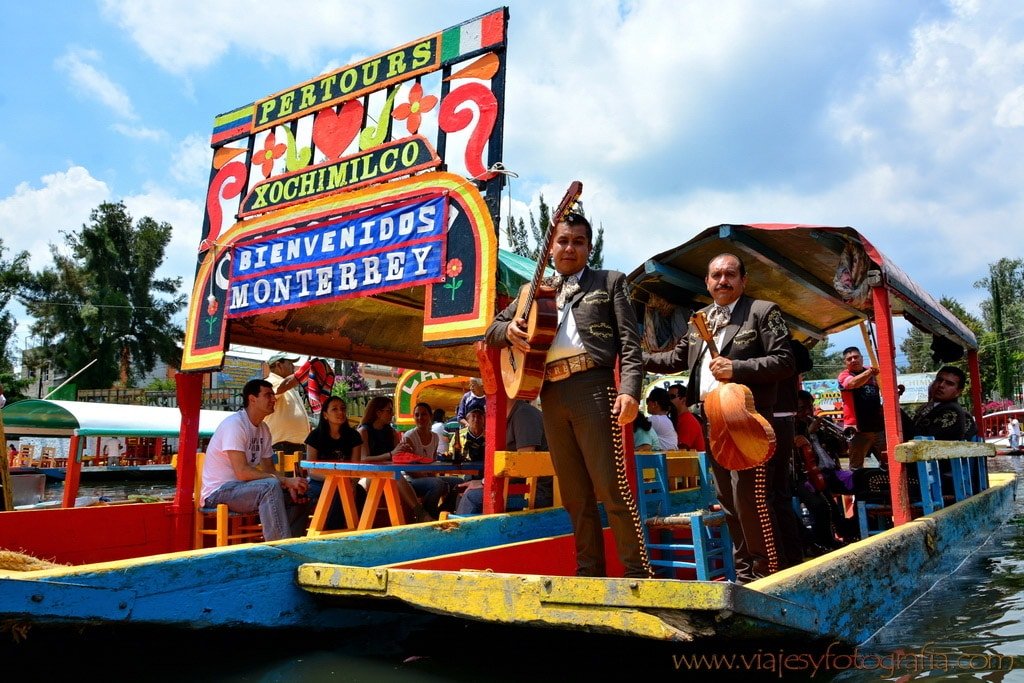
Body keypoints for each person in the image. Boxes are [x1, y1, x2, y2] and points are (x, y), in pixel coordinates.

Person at [486, 212, 651, 579]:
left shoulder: (610, 281)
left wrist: (629, 391)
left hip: (594, 388)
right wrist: (509, 329)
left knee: (612, 488)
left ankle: (639, 574)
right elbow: (492, 329)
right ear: (551, 247)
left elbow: (630, 343)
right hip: (550, 394)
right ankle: (589, 574)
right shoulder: (534, 291)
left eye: (578, 242)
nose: (569, 248)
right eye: (563, 241)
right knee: (574, 495)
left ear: (589, 248)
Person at [644, 253, 795, 582]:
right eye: (716, 275)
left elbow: (785, 361)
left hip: (747, 420)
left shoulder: (761, 311)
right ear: (707, 281)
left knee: (751, 501)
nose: (722, 281)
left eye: (730, 274)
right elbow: (675, 359)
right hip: (710, 420)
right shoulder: (699, 320)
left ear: (743, 280)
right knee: (727, 502)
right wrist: (635, 356)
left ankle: (769, 577)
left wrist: (736, 368)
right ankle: (744, 577)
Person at [201, 379, 310, 541]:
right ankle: (278, 547)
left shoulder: (264, 429)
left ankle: (293, 544)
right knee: (270, 486)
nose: (273, 399)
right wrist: (285, 480)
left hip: (244, 489)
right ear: (252, 399)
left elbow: (269, 471)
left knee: (300, 495)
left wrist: (289, 486)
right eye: (268, 395)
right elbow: (242, 472)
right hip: (218, 493)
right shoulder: (235, 424)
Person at [356, 396, 438, 522]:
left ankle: (417, 517)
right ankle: (420, 513)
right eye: (389, 411)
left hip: (392, 474)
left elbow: (398, 456)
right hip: (372, 475)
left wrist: (405, 451)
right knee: (396, 477)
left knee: (396, 476)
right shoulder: (364, 431)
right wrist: (391, 454)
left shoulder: (391, 432)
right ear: (378, 413)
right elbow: (364, 459)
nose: (392, 414)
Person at [304, 395, 363, 530]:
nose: (340, 412)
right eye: (334, 409)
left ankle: (359, 532)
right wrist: (336, 479)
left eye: (343, 408)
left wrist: (353, 484)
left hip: (347, 481)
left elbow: (356, 467)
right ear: (325, 415)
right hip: (319, 482)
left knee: (361, 493)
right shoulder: (315, 436)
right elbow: (311, 471)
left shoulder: (354, 436)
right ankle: (333, 532)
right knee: (337, 493)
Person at [838, 346, 884, 469]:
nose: (853, 360)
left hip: (878, 428)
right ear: (845, 362)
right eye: (849, 359)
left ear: (862, 358)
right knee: (856, 468)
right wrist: (870, 372)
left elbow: (885, 387)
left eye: (856, 357)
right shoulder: (844, 375)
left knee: (888, 463)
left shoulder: (874, 373)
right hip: (858, 431)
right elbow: (852, 383)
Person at [910, 366, 976, 441]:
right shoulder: (928, 406)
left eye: (949, 383)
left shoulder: (952, 410)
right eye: (939, 380)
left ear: (958, 392)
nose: (941, 385)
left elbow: (924, 437)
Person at [264, 352, 312, 452]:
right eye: (290, 363)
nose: (293, 367)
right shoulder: (270, 382)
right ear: (279, 365)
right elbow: (283, 385)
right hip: (282, 448)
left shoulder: (289, 387)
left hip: (296, 448)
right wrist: (304, 371)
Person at [667, 383, 705, 451]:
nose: (667, 400)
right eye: (667, 397)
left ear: (684, 400)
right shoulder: (679, 419)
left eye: (671, 397)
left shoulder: (687, 420)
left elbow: (682, 450)